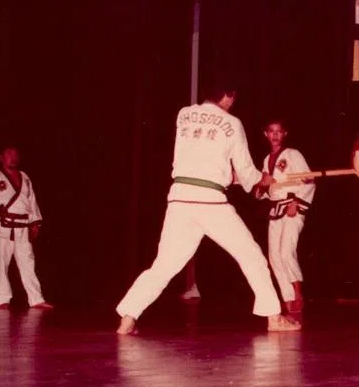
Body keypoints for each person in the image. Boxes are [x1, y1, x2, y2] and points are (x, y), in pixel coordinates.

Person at [115, 79, 299, 334]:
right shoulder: (233, 124)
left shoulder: (184, 114)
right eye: (233, 96)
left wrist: (228, 176)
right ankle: (273, 316)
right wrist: (262, 179)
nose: (233, 102)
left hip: (180, 199)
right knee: (253, 256)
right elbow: (247, 173)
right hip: (211, 202)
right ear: (228, 94)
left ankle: (128, 315)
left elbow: (202, 157)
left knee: (164, 264)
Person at [259, 118, 315, 321]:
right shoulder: (266, 160)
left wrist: (296, 201)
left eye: (278, 131)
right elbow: (267, 190)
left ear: (284, 134)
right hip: (276, 209)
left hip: (293, 206)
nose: (275, 135)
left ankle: (297, 294)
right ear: (265, 134)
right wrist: (262, 189)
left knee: (286, 251)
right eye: (271, 131)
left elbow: (309, 179)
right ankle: (287, 297)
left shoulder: (293, 155)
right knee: (274, 256)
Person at [0, 146, 54, 310]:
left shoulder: (25, 177)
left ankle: (36, 299)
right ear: (1, 158)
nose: (13, 158)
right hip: (3, 228)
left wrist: (35, 223)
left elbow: (31, 201)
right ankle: (2, 298)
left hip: (23, 227)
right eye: (8, 155)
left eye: (15, 154)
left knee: (28, 263)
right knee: (0, 263)